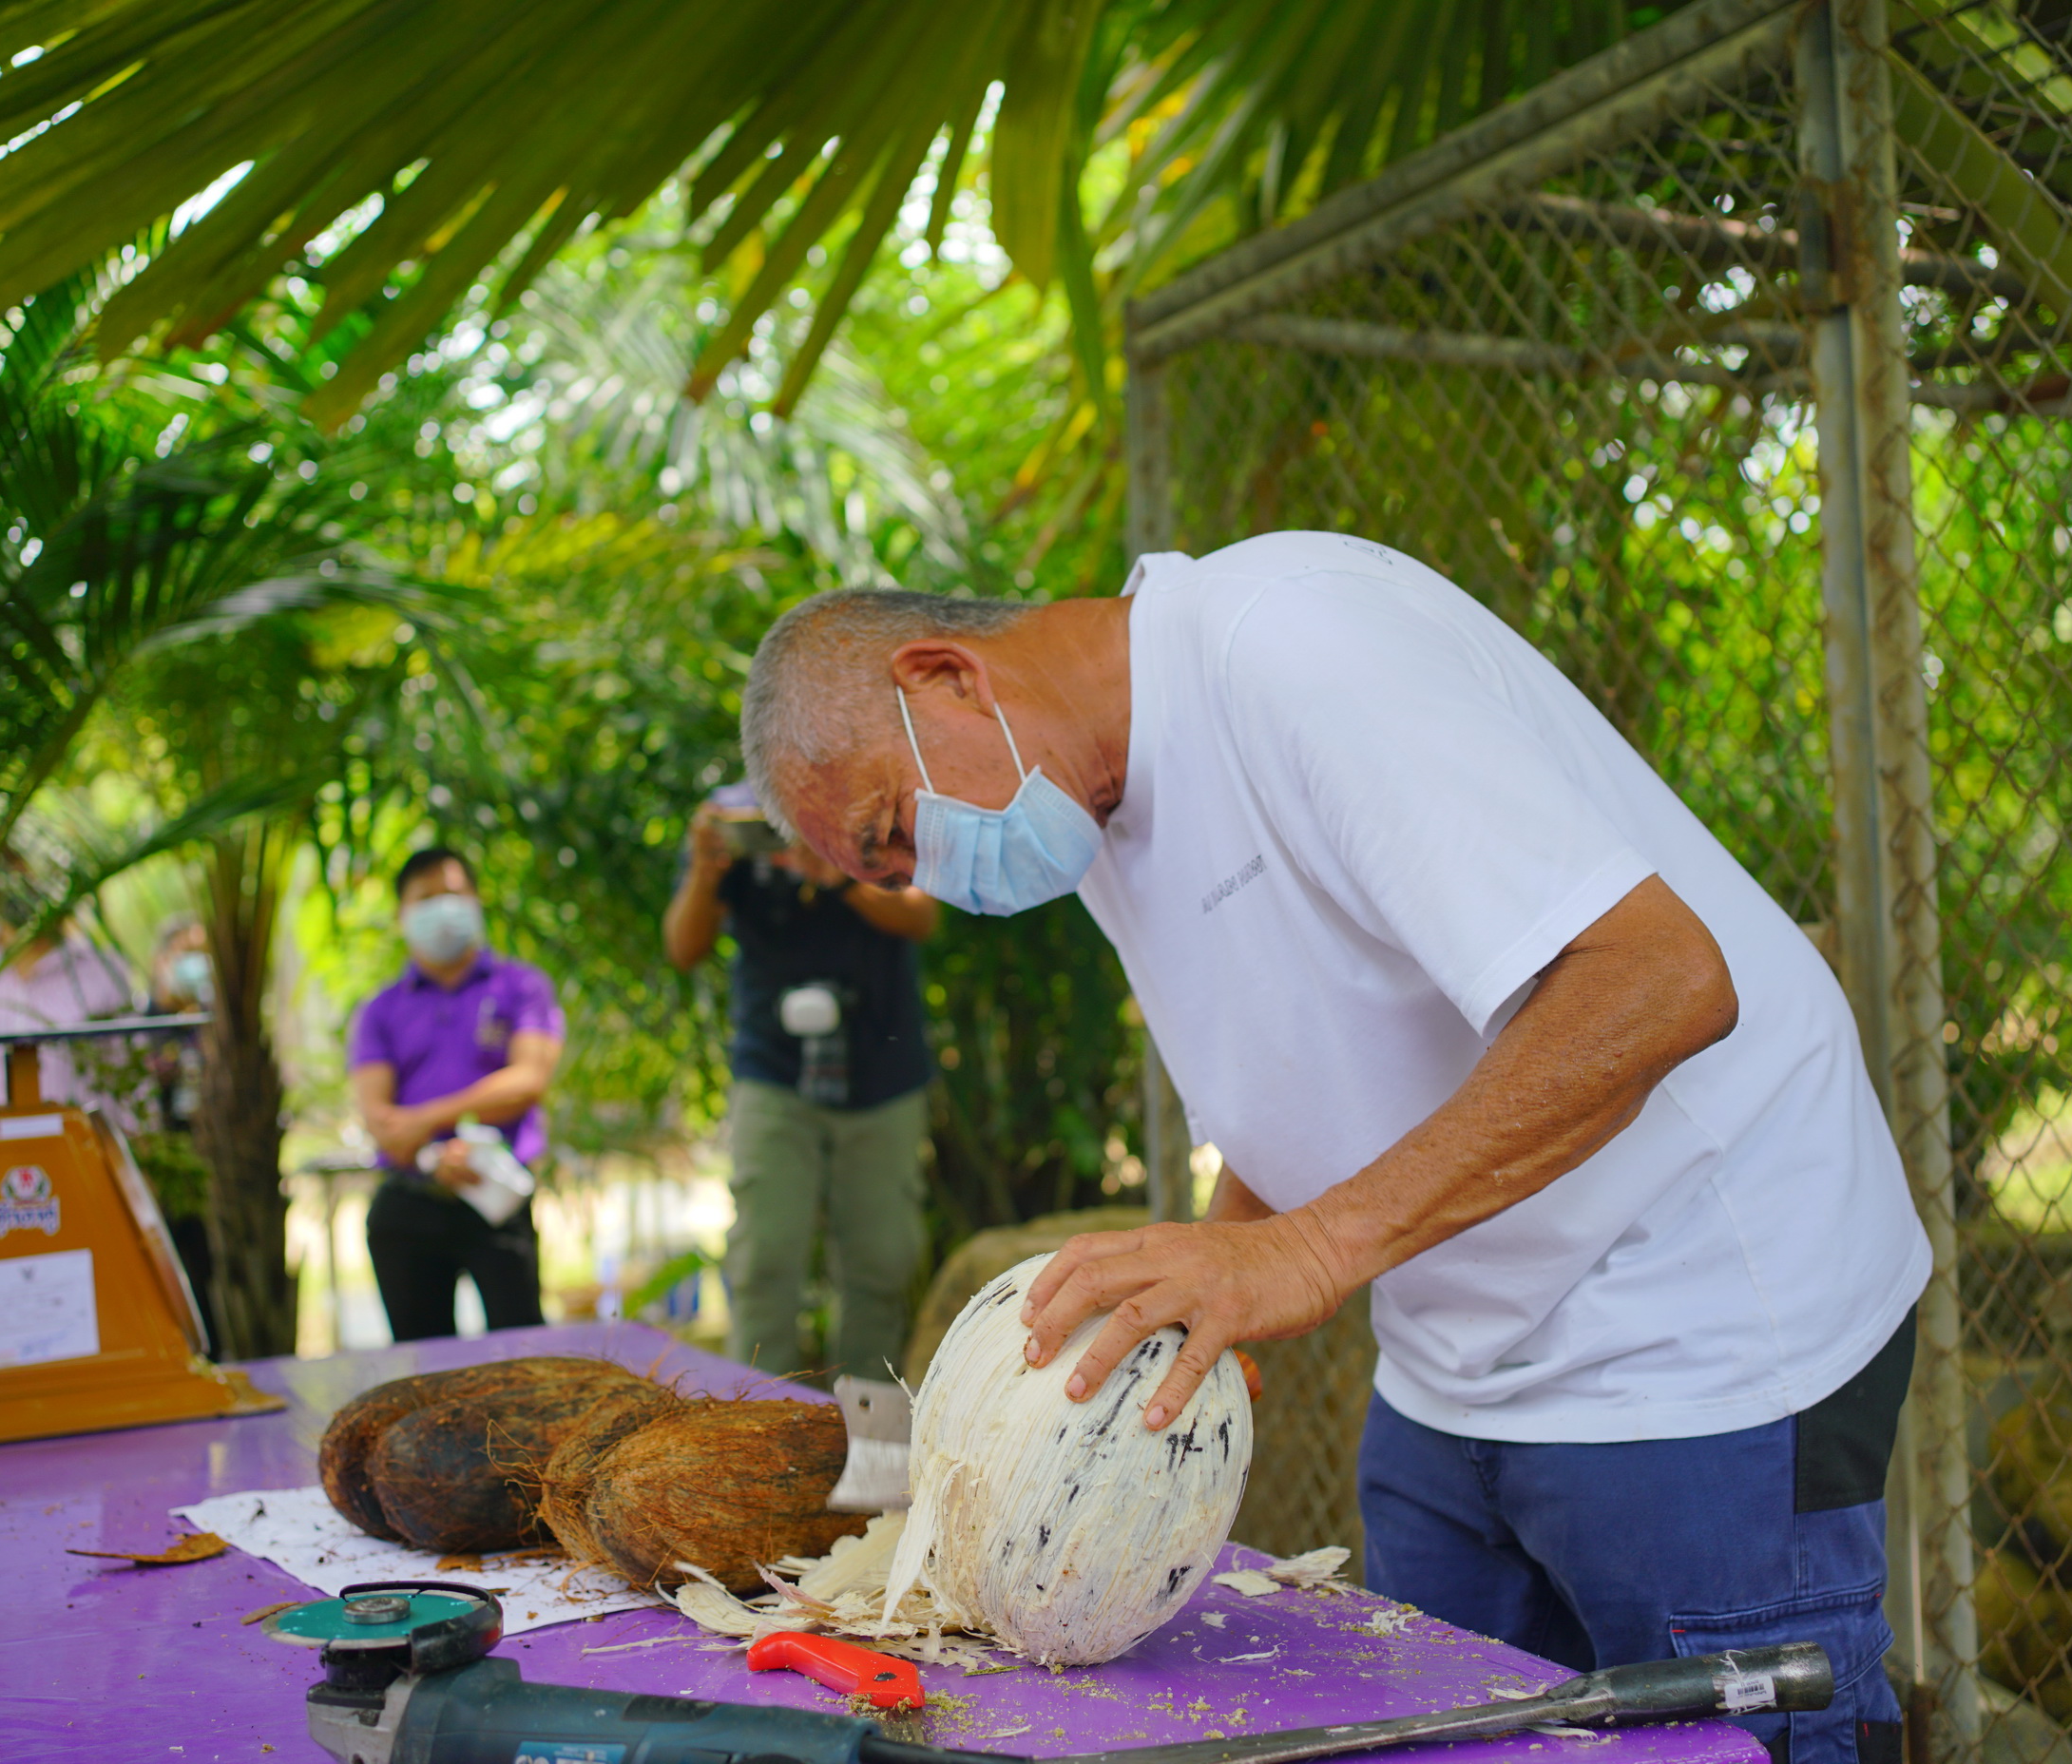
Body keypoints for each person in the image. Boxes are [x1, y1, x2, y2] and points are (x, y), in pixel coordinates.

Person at [739, 532, 1929, 1764]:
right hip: (1448, 1360)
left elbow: (1659, 984)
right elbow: (1303, 1072)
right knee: (1433, 1739)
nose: (925, 882)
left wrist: (1303, 1255)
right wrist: (1217, 1267)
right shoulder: (1093, 808)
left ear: (947, 678)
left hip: (1699, 1330)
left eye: (895, 830)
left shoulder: (1289, 648)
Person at [664, 783, 939, 1379]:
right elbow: (683, 947)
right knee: (762, 1258)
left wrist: (838, 870)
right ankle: (760, 1422)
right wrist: (707, 870)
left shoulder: (877, 797)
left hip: (882, 1073)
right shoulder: (732, 813)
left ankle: (875, 1436)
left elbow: (922, 915)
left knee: (882, 1264)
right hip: (773, 1073)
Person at [351, 847, 565, 1341]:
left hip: (496, 1196)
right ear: (402, 915)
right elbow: (380, 1121)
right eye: (426, 898)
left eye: (452, 893)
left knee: (524, 1360)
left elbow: (528, 1080)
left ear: (475, 900)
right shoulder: (380, 1010)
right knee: (421, 1369)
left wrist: (425, 1120)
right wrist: (431, 1154)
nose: (442, 908)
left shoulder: (521, 986)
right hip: (409, 1202)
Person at [0, 853, 136, 1125]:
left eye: (32, 873)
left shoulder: (103, 972)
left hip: (80, 1161)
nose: (21, 885)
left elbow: (134, 1094)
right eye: (12, 871)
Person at [140, 913, 220, 1356]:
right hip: (166, 1170)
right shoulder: (140, 1025)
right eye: (186, 954)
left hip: (215, 1168)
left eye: (202, 954)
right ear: (162, 960)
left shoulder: (220, 1025)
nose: (196, 964)